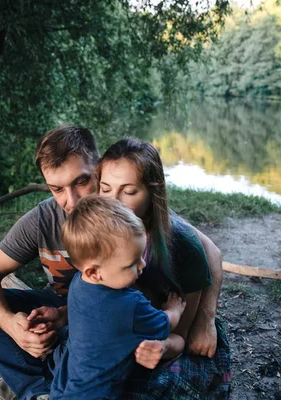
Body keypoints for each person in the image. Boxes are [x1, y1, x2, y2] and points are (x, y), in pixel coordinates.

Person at [0, 126, 225, 400]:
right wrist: (14, 325)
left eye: (81, 182)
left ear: (99, 170)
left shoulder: (130, 217)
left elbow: (208, 251)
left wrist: (205, 318)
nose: (70, 201)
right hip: (77, 312)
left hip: (121, 324)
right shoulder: (44, 218)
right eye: (57, 188)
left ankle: (52, 377)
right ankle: (38, 391)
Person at [97, 138, 232, 399]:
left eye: (129, 191)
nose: (113, 203)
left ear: (153, 191)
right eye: (105, 189)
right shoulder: (98, 230)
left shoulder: (182, 245)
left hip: (171, 338)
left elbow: (181, 335)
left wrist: (161, 346)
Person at [48, 195, 186, 399]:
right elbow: (165, 324)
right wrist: (175, 309)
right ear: (94, 272)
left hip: (64, 387)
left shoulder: (79, 283)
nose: (142, 265)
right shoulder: (128, 305)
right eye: (131, 264)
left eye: (140, 256)